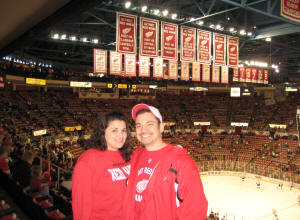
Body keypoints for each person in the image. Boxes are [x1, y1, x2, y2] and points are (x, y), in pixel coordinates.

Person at [123, 103, 208, 220]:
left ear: (161, 127)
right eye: (138, 125)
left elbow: (195, 209)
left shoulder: (181, 161)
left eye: (149, 124)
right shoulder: (134, 158)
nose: (143, 130)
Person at [72, 112, 132, 220]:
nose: (120, 135)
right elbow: (81, 205)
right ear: (103, 132)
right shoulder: (88, 160)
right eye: (114, 130)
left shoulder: (127, 157)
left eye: (123, 130)